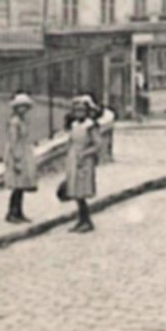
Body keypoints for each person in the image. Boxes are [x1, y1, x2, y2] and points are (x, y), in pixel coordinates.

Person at [63, 95, 101, 232]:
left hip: (85, 161)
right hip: (74, 159)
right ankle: (81, 220)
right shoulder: (74, 125)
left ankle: (87, 221)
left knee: (82, 192)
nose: (79, 113)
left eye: (81, 110)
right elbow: (70, 142)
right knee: (75, 192)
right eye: (76, 110)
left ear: (87, 111)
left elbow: (97, 145)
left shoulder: (90, 126)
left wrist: (85, 154)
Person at [3, 92, 39, 224]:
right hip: (17, 153)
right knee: (17, 185)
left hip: (24, 151)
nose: (23, 109)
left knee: (22, 185)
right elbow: (13, 141)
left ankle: (19, 211)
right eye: (20, 107)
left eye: (25, 107)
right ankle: (11, 212)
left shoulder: (24, 121)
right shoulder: (15, 122)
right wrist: (17, 159)